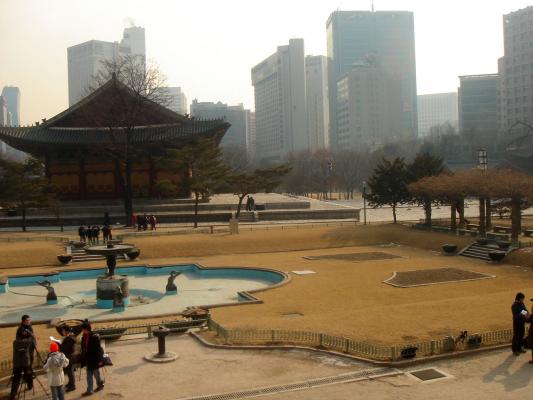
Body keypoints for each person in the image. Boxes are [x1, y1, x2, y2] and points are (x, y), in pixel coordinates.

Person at [80, 320, 104, 396]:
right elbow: (83, 348)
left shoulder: (94, 337)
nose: (82, 330)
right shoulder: (83, 337)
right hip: (88, 359)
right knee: (89, 375)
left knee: (96, 374)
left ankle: (99, 385)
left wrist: (100, 360)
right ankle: (90, 390)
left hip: (95, 359)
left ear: (86, 329)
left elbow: (98, 349)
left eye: (83, 329)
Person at [60, 326, 77, 392]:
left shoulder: (69, 338)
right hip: (69, 356)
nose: (62, 332)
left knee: (70, 371)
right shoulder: (69, 337)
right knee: (69, 371)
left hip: (69, 357)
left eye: (63, 330)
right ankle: (70, 383)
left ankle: (72, 386)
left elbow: (65, 348)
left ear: (66, 331)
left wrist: (60, 345)